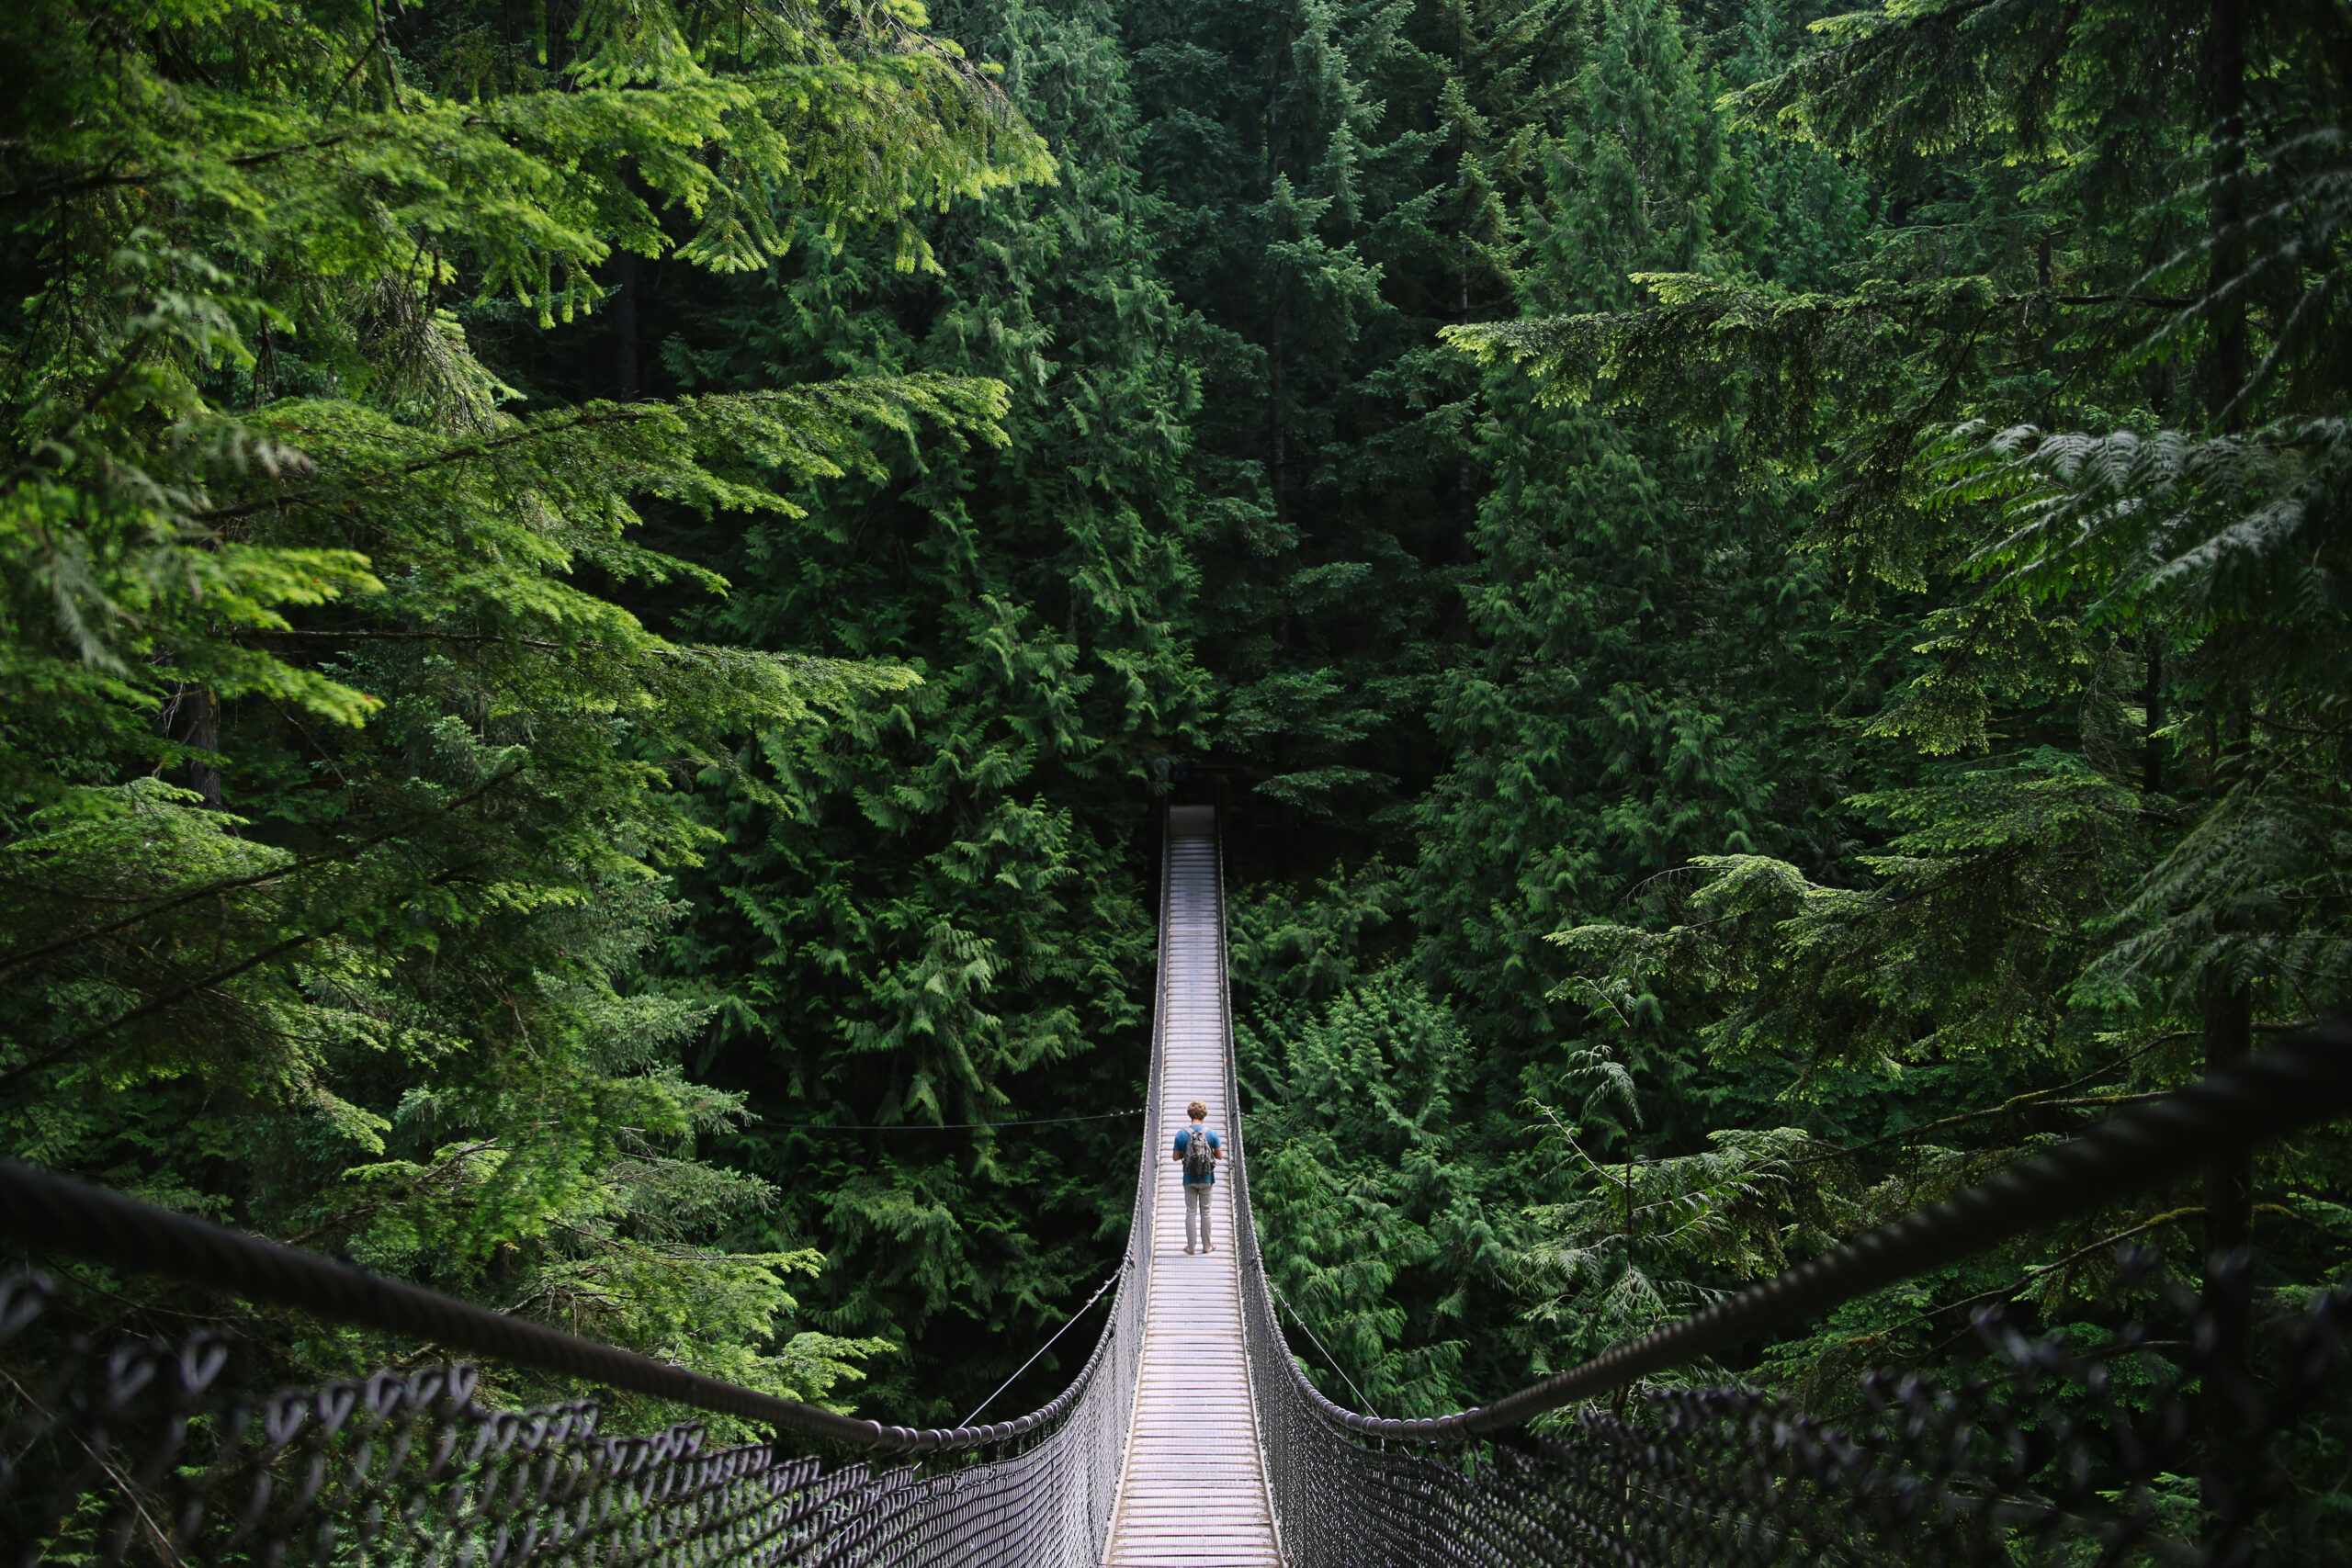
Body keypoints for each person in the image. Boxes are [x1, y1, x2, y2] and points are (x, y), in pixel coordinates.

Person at [1172, 1100, 1223, 1254]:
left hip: (1189, 1179)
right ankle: (1207, 1246)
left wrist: (1186, 1153)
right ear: (1204, 1114)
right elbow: (1220, 1156)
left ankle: (1191, 1247)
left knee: (1191, 1212)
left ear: (1190, 1114)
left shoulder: (1181, 1134)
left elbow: (1175, 1157)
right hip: (1207, 1178)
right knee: (1206, 1211)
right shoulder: (1212, 1133)